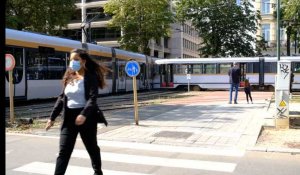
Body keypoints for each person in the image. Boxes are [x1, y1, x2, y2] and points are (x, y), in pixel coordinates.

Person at [45, 48, 109, 175]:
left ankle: (98, 172)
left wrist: (83, 115)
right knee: (64, 151)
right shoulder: (69, 75)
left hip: (87, 118)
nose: (72, 62)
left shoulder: (91, 77)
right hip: (68, 118)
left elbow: (93, 98)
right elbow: (62, 97)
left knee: (92, 148)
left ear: (83, 61)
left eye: (76, 59)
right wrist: (51, 118)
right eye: (71, 60)